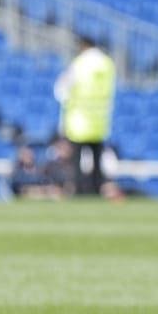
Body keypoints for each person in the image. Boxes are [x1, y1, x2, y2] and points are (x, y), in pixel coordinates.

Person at [56, 37, 115, 197]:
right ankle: (96, 190)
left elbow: (61, 91)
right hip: (99, 121)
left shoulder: (79, 64)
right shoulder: (107, 64)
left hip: (80, 121)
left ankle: (80, 191)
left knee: (77, 161)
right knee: (97, 160)